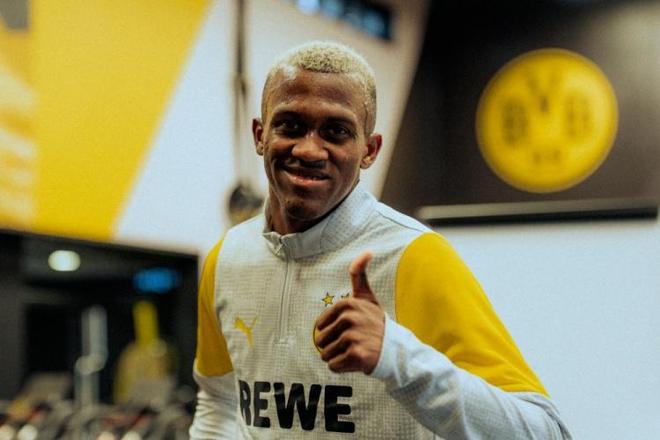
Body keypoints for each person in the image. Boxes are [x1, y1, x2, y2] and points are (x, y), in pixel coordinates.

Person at [189, 41, 571, 439]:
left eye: (336, 132)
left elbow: (545, 432)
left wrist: (397, 356)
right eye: (290, 126)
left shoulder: (414, 256)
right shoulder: (227, 258)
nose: (309, 149)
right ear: (260, 135)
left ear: (369, 150)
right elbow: (219, 400)